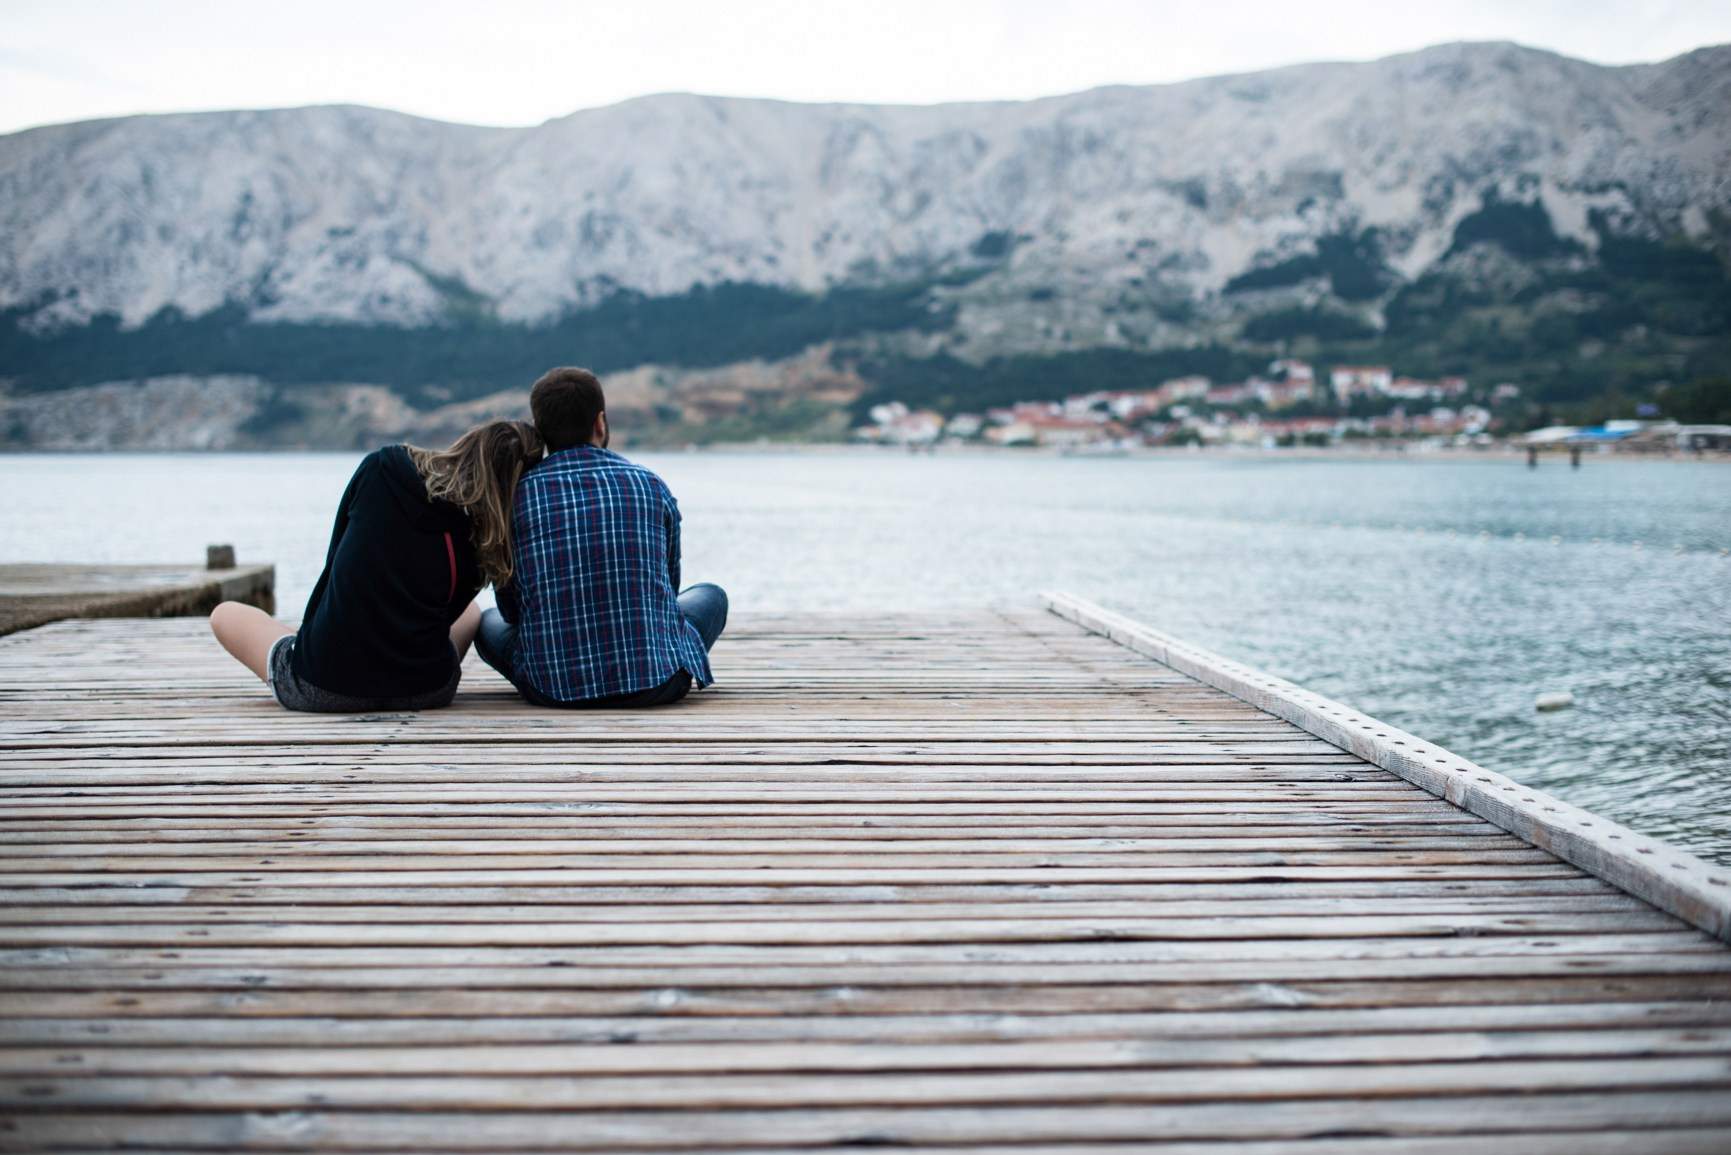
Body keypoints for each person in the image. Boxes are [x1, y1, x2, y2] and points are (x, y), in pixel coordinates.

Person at [210, 420, 544, 712]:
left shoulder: (381, 469)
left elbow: (335, 561)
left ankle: (304, 643)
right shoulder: (484, 546)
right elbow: (446, 616)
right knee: (472, 612)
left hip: (324, 685)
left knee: (224, 613)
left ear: (467, 446)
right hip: (425, 689)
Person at [476, 366, 726, 707]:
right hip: (658, 682)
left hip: (552, 689)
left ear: (540, 430)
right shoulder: (649, 484)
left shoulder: (516, 497)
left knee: (486, 620)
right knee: (711, 595)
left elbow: (510, 611)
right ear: (600, 422)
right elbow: (668, 586)